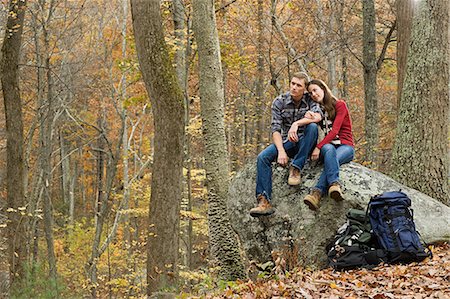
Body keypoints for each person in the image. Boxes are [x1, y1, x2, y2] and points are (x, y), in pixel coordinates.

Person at [250, 72, 323, 217]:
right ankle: (264, 201)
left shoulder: (311, 99)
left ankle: (296, 168)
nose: (294, 87)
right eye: (292, 83)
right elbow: (275, 129)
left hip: (306, 141)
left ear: (305, 88)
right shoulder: (280, 101)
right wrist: (281, 151)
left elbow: (318, 117)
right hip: (287, 142)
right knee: (263, 157)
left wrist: (297, 124)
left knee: (312, 127)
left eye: (298, 85)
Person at [303, 79, 355, 210]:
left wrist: (318, 147)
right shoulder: (319, 111)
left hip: (345, 146)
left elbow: (335, 131)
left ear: (323, 88)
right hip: (330, 147)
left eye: (315, 90)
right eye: (310, 93)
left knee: (332, 160)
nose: (313, 94)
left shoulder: (339, 105)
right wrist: (308, 115)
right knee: (329, 152)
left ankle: (318, 192)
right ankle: (333, 185)